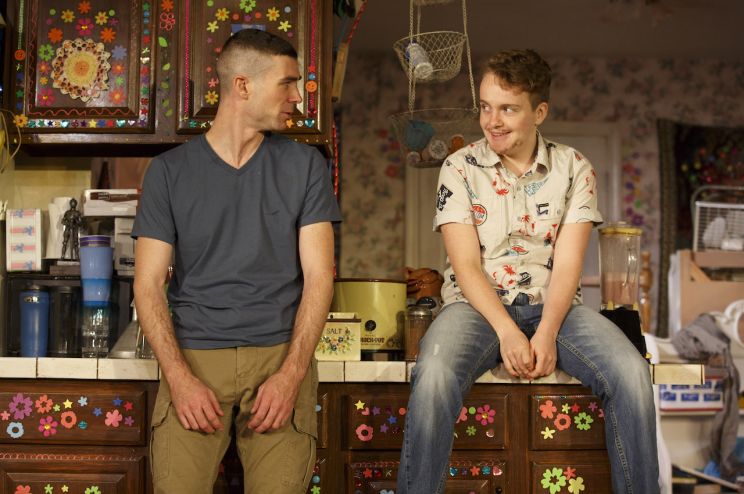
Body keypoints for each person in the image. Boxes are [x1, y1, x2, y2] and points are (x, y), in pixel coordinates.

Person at [397, 49, 659, 494]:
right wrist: (507, 331)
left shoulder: (574, 168)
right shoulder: (458, 168)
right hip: (475, 309)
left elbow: (569, 265)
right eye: (485, 107)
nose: (492, 121)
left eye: (508, 109)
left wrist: (546, 332)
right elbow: (466, 266)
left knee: (633, 375)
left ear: (539, 112)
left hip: (556, 308)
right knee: (435, 374)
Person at [132, 28, 341, 493]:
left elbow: (319, 279)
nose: (297, 97)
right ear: (243, 85)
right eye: (287, 83)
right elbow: (147, 284)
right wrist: (180, 380)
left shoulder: (306, 167)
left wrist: (290, 376)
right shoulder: (168, 172)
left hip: (280, 357)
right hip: (193, 359)